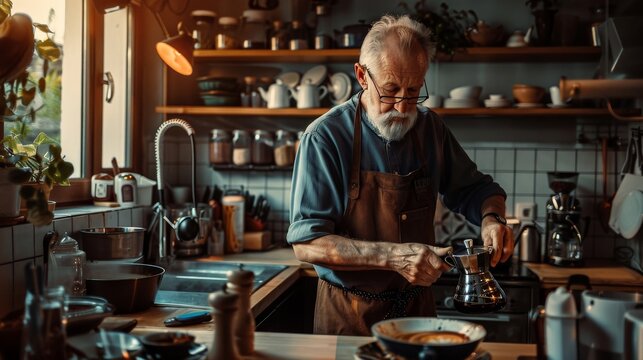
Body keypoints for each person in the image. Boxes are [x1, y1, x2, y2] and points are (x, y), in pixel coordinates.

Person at [286, 14, 514, 336]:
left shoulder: (430, 128)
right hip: (349, 315)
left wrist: (493, 218)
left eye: (414, 91)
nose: (403, 107)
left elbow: (477, 190)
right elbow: (307, 243)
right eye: (391, 90)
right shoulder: (324, 138)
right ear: (362, 76)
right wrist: (393, 256)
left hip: (416, 310)